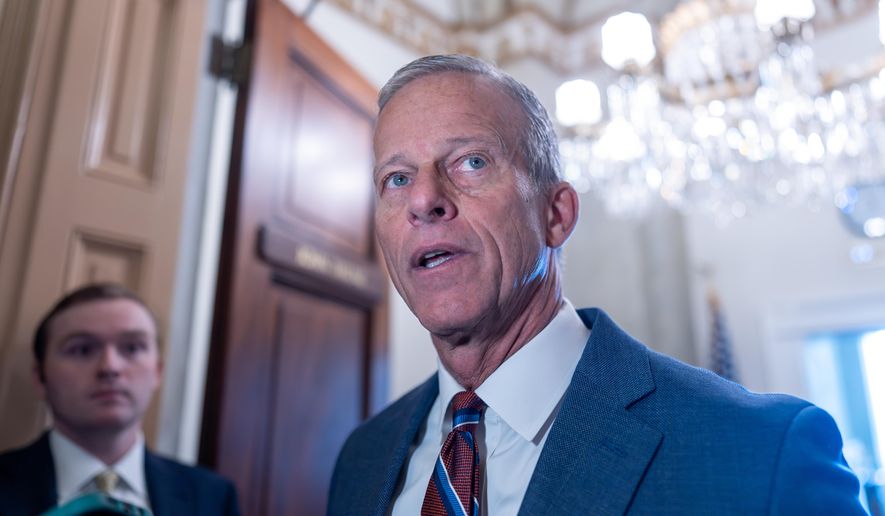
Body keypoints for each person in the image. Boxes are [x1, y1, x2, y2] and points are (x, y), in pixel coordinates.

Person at [327, 55, 865, 515]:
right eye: (397, 178)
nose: (423, 200)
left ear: (556, 215)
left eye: (470, 162)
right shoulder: (361, 459)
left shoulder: (765, 452)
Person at [0, 283, 240, 515]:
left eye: (133, 348)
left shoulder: (214, 497)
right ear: (40, 377)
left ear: (157, 371)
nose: (110, 367)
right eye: (82, 349)